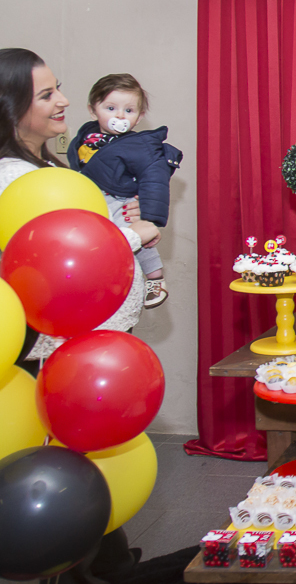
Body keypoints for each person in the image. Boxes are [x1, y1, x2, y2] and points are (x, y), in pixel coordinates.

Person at [0, 49, 159, 362]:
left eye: (57, 88)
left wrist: (127, 218)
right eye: (47, 95)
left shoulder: (46, 166)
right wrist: (133, 236)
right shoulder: (15, 177)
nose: (63, 101)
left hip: (89, 338)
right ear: (11, 108)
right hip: (60, 353)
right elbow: (60, 258)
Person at [69, 73, 182, 308]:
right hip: (90, 199)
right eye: (111, 108)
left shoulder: (141, 146)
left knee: (135, 234)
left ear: (139, 117)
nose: (120, 115)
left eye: (129, 111)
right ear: (93, 110)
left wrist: (150, 219)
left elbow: (155, 181)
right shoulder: (86, 138)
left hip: (120, 198)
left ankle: (155, 279)